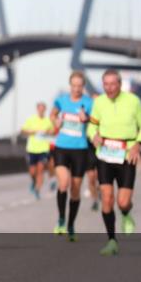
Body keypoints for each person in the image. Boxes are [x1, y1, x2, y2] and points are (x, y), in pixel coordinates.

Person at [87, 69, 141, 257]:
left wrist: (138, 145)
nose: (109, 88)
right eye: (106, 84)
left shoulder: (133, 101)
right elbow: (92, 125)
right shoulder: (98, 102)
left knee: (122, 202)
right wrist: (93, 136)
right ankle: (112, 241)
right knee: (106, 197)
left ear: (120, 84)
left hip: (127, 155)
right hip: (105, 154)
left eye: (113, 84)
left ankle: (126, 213)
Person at [50, 70, 94, 240]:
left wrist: (86, 118)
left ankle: (70, 225)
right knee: (64, 183)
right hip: (61, 147)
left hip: (80, 149)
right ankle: (61, 219)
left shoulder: (88, 103)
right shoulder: (62, 100)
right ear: (70, 85)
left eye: (79, 86)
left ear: (83, 87)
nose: (76, 89)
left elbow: (95, 119)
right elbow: (53, 114)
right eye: (74, 85)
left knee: (75, 190)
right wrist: (56, 121)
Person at [21, 102, 55, 200]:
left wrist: (48, 132)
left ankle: (37, 190)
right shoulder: (31, 119)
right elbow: (23, 131)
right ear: (37, 109)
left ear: (45, 110)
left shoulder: (48, 120)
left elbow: (53, 132)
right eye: (39, 109)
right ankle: (33, 181)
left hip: (43, 149)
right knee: (32, 172)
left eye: (43, 109)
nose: (41, 110)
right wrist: (32, 131)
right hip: (32, 149)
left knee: (40, 170)